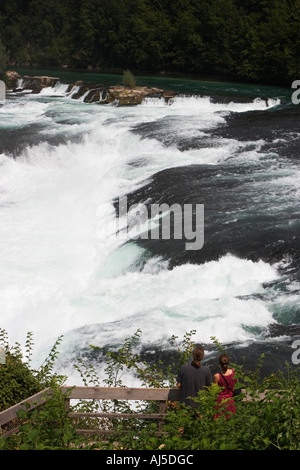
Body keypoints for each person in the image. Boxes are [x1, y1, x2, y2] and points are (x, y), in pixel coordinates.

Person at [214, 353, 237, 419]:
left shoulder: (217, 376)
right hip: (231, 401)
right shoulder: (234, 372)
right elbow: (236, 385)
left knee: (220, 422)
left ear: (219, 364)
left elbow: (215, 391)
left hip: (220, 402)